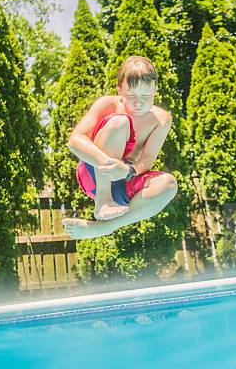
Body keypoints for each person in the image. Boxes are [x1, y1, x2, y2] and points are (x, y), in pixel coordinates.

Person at [62, 56, 178, 239]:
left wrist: (127, 171)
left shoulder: (162, 120)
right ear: (119, 90)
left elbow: (147, 159)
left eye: (146, 96)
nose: (138, 102)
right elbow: (75, 141)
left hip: (125, 179)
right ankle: (103, 199)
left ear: (155, 89)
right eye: (130, 96)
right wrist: (107, 164)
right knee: (120, 123)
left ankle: (105, 228)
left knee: (169, 184)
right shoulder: (108, 104)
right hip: (94, 177)